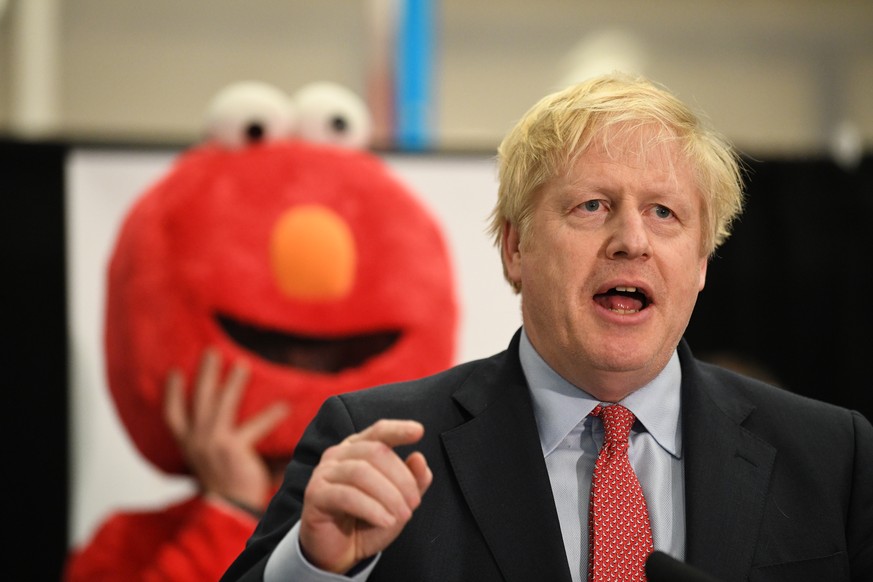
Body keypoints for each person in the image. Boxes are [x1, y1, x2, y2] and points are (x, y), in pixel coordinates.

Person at [220, 73, 873, 582]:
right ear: (513, 248)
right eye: (591, 206)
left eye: (664, 213)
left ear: (701, 263)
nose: (631, 240)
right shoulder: (375, 446)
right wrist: (314, 566)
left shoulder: (829, 456)